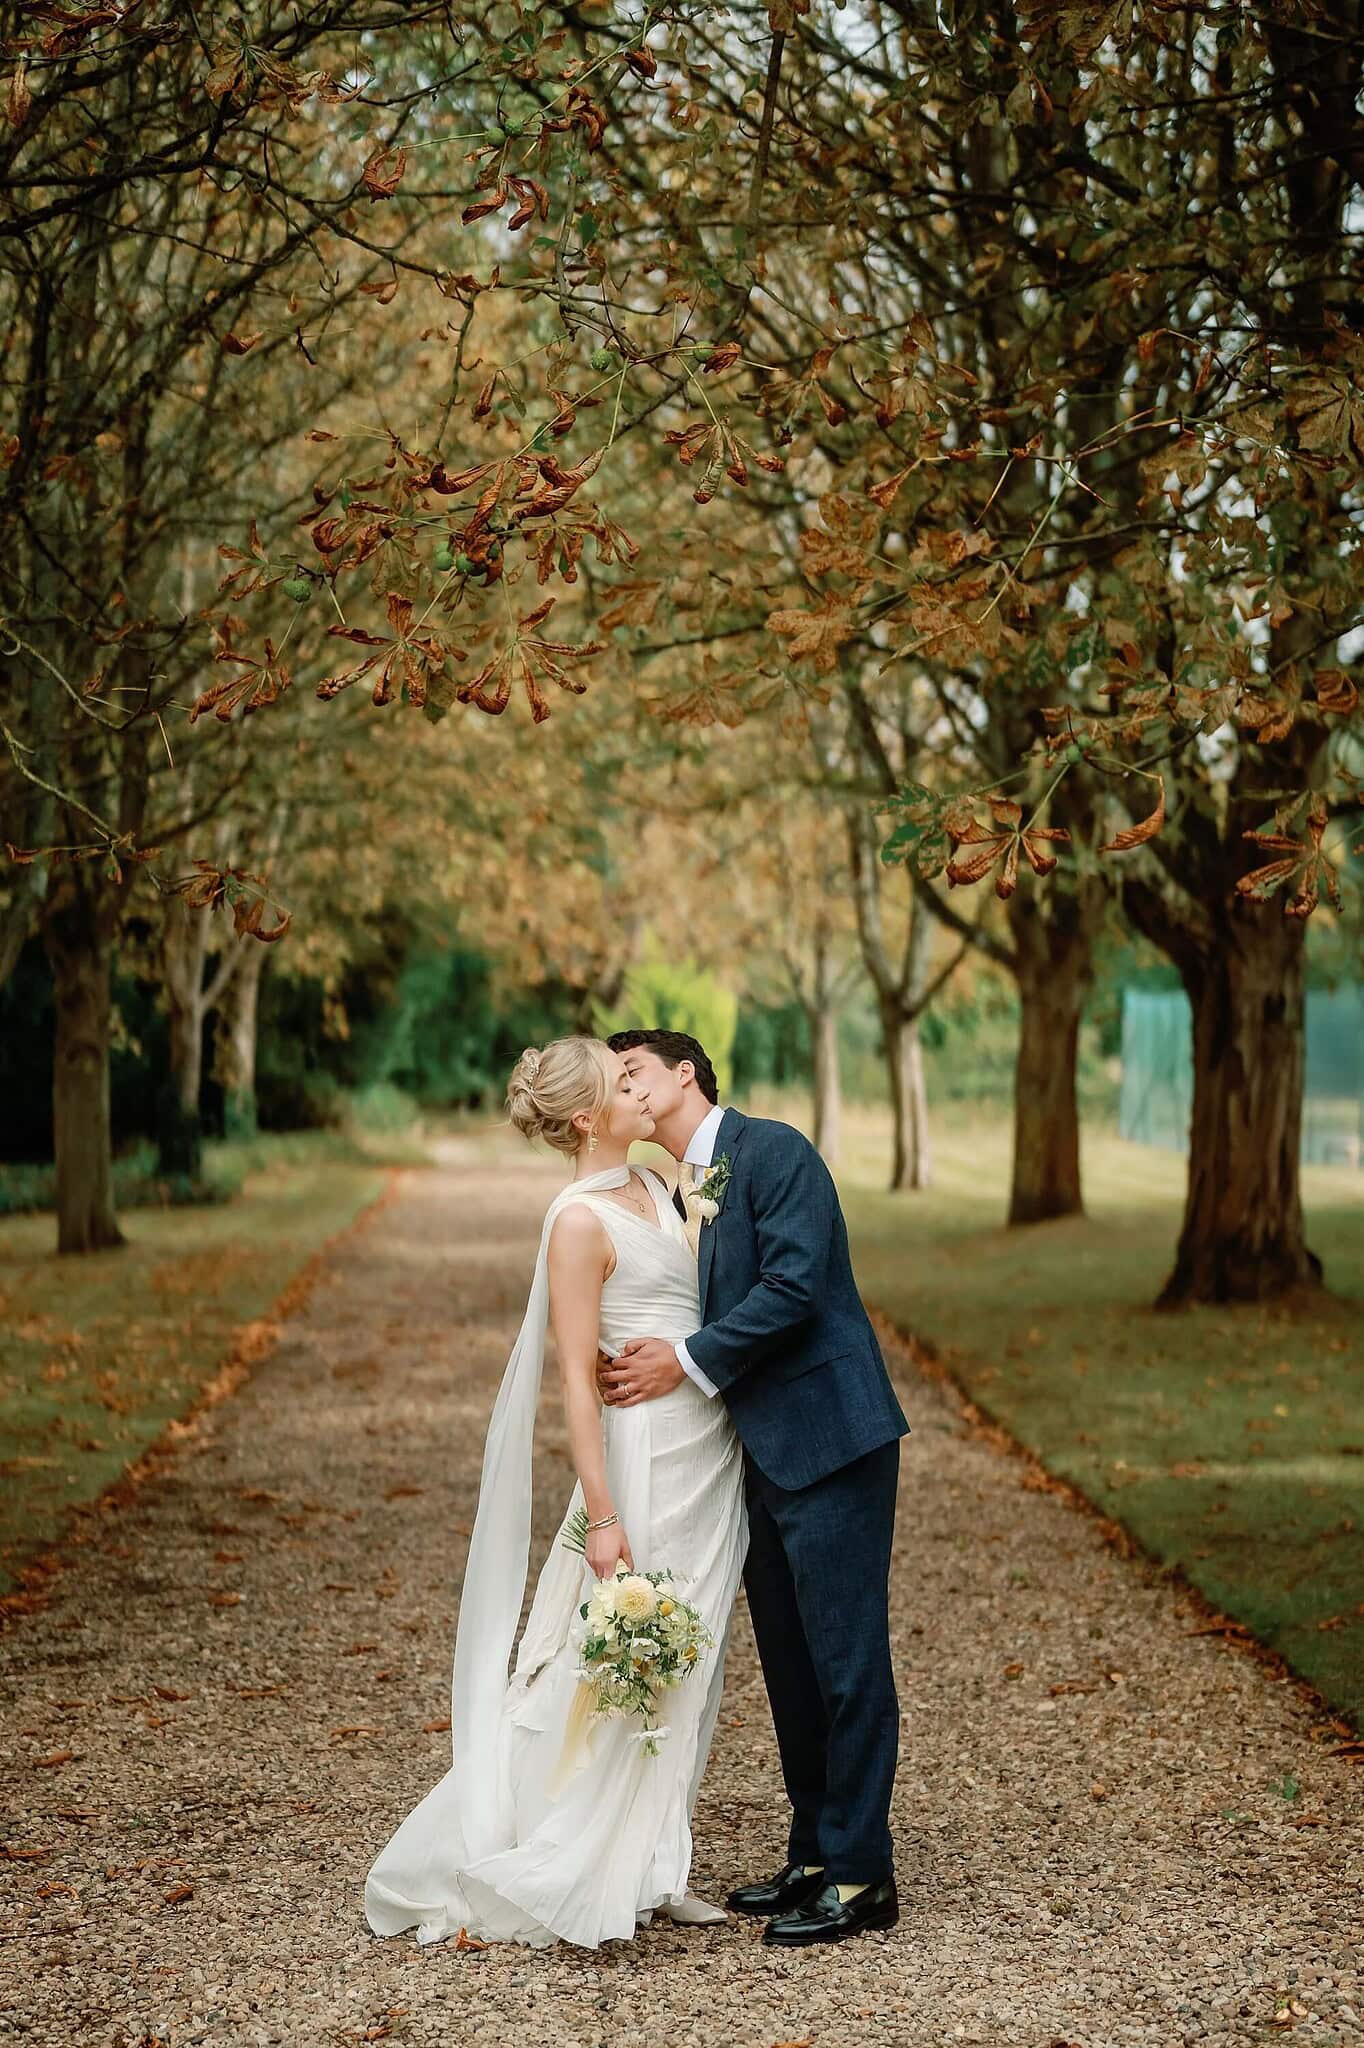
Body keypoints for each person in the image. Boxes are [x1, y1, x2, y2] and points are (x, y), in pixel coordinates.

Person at [363, 1037, 746, 1950]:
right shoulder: (577, 1223)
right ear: (587, 1119)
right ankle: (583, 1854)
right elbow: (576, 1379)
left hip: (709, 1454)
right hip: (645, 1455)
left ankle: (661, 1860)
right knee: (626, 1660)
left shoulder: (659, 1187)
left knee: (692, 1655)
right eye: (623, 1083)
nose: (640, 1088)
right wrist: (602, 1516)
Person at [601, 1028, 910, 1948]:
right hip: (758, 1458)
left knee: (847, 1661)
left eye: (634, 1071)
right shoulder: (672, 1189)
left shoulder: (773, 1152)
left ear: (684, 1073)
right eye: (614, 1078)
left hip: (832, 1438)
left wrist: (686, 1362)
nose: (624, 1086)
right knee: (790, 1664)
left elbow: (795, 1288)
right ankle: (815, 1851)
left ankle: (862, 1875)